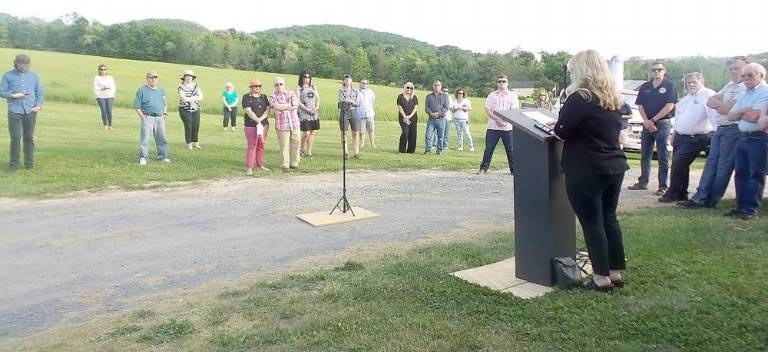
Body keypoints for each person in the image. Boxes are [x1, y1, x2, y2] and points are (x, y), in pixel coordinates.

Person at [551, 49, 629, 291]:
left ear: (581, 70)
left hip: (586, 168)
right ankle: (614, 273)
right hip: (614, 165)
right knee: (608, 218)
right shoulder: (612, 98)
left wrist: (556, 126)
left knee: (591, 221)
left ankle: (600, 278)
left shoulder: (580, 97)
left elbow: (561, 131)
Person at [679, 56, 748, 209]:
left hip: (734, 129)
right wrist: (724, 106)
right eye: (731, 68)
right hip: (721, 127)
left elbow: (726, 109)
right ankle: (700, 197)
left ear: (746, 67)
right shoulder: (730, 85)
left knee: (723, 166)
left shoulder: (746, 87)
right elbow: (710, 102)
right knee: (711, 164)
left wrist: (723, 106)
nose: (734, 71)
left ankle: (711, 200)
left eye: (737, 68)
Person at [658, 72, 716, 203]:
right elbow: (678, 118)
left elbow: (713, 116)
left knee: (679, 163)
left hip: (699, 136)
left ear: (702, 81)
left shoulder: (708, 95)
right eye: (688, 82)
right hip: (681, 136)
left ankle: (672, 193)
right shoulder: (685, 99)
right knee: (680, 165)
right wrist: (674, 134)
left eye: (694, 82)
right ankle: (681, 193)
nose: (691, 85)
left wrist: (717, 132)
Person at [724, 63, 768, 220]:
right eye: (744, 76)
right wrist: (744, 110)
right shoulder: (745, 93)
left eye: (750, 75)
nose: (745, 79)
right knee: (741, 173)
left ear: (761, 76)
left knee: (756, 174)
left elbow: (756, 116)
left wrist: (740, 112)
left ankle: (750, 209)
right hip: (743, 136)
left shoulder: (765, 91)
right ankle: (740, 207)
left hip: (759, 137)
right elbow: (730, 116)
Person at [628, 61, 678, 195]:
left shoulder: (669, 85)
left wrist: (653, 120)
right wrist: (646, 121)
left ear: (664, 70)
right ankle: (643, 182)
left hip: (662, 124)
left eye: (659, 69)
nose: (656, 72)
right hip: (647, 124)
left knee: (662, 156)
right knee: (645, 155)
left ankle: (663, 186)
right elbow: (640, 105)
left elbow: (670, 105)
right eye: (654, 70)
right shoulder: (645, 86)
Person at [0, 54, 43, 171]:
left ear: (28, 64)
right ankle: (14, 165)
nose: (23, 66)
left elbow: (39, 93)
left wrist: (38, 106)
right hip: (14, 111)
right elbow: (1, 91)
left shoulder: (34, 76)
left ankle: (29, 164)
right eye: (20, 64)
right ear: (16, 63)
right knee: (15, 137)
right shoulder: (8, 75)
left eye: (25, 64)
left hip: (30, 110)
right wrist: (13, 95)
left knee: (28, 138)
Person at [478, 74, 518, 174]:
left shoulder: (512, 95)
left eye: (504, 81)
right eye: (499, 81)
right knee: (489, 148)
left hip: (507, 127)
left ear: (507, 83)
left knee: (510, 149)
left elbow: (514, 110)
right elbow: (487, 109)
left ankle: (514, 170)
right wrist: (496, 119)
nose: (501, 83)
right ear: (497, 83)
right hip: (492, 126)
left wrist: (503, 120)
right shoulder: (492, 95)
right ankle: (483, 168)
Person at [133, 71, 169, 165]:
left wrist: (164, 113)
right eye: (151, 77)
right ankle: (143, 157)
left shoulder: (161, 90)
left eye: (155, 77)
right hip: (147, 117)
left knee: (162, 138)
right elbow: (137, 106)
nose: (153, 79)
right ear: (147, 78)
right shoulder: (142, 90)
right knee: (145, 138)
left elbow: (164, 103)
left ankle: (163, 156)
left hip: (160, 117)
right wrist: (143, 117)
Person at [268, 77, 301, 170]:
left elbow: (295, 105)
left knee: (296, 143)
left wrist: (281, 107)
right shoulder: (272, 96)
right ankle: (285, 165)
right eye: (277, 84)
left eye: (281, 84)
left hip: (294, 123)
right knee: (284, 145)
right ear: (274, 86)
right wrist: (288, 105)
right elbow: (276, 106)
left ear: (284, 84)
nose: (279, 86)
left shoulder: (291, 93)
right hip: (281, 124)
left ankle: (294, 163)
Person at [242, 79, 270, 175]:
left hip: (264, 125)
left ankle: (260, 164)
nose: (257, 88)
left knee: (261, 145)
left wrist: (261, 119)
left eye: (259, 86)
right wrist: (257, 120)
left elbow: (267, 110)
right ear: (251, 87)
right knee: (252, 145)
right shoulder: (246, 97)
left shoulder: (264, 97)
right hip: (251, 125)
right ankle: (249, 167)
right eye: (255, 86)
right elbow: (248, 111)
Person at [178, 69, 204, 150]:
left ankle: (195, 142)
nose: (189, 78)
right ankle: (188, 143)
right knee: (188, 125)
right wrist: (195, 97)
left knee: (196, 126)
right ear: (184, 77)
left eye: (190, 76)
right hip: (184, 109)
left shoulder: (196, 86)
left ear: (192, 78)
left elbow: (201, 97)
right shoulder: (181, 87)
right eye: (187, 76)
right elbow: (183, 98)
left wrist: (189, 98)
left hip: (195, 108)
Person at [296, 70, 320, 158]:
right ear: (301, 78)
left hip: (313, 112)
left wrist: (316, 107)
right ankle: (301, 147)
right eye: (305, 77)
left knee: (312, 132)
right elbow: (298, 101)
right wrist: (306, 109)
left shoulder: (313, 87)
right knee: (306, 133)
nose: (307, 79)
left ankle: (309, 152)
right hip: (304, 112)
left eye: (308, 77)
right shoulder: (299, 88)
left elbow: (318, 98)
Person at [338, 73, 361, 159]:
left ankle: (356, 153)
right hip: (344, 112)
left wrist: (351, 101)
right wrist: (351, 102)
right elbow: (342, 101)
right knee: (344, 132)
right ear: (343, 81)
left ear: (351, 81)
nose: (347, 80)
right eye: (345, 79)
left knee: (355, 132)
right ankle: (345, 152)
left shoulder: (356, 91)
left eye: (348, 79)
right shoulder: (341, 90)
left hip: (354, 112)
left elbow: (359, 102)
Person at [424, 80, 449, 155]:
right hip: (431, 119)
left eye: (438, 85)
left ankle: (439, 151)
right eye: (435, 85)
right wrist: (431, 113)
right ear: (433, 86)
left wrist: (438, 113)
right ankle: (428, 150)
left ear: (440, 87)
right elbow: (426, 107)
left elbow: (446, 107)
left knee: (440, 136)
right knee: (428, 135)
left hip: (441, 119)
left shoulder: (445, 96)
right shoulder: (428, 96)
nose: (437, 87)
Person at [397, 82, 419, 153]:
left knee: (412, 134)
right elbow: (400, 108)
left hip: (413, 118)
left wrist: (409, 116)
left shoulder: (414, 97)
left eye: (411, 88)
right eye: (408, 87)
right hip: (403, 118)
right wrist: (405, 117)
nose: (409, 89)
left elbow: (415, 108)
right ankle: (402, 150)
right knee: (405, 133)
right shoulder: (400, 97)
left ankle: (411, 150)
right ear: (405, 88)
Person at [93, 64, 115, 130]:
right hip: (100, 96)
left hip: (109, 95)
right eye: (101, 69)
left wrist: (111, 92)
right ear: (99, 70)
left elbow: (113, 86)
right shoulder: (97, 78)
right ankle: (105, 125)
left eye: (104, 69)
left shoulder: (110, 77)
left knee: (109, 110)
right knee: (103, 110)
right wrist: (102, 88)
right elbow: (95, 87)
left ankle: (110, 125)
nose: (103, 71)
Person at [357, 78, 376, 148]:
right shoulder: (357, 91)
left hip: (369, 113)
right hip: (360, 113)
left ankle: (373, 143)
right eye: (363, 83)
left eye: (365, 83)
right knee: (362, 130)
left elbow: (373, 100)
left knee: (371, 129)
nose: (364, 84)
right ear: (360, 83)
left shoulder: (370, 92)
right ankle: (362, 144)